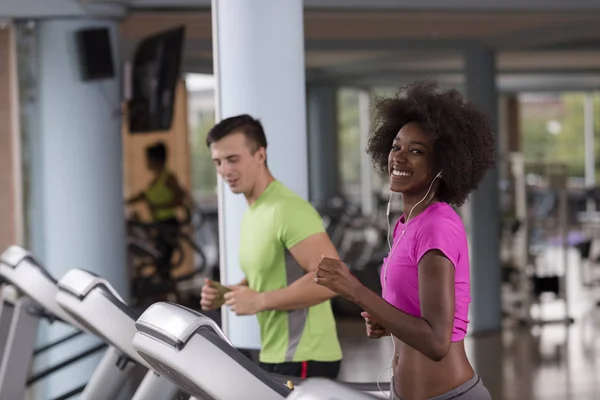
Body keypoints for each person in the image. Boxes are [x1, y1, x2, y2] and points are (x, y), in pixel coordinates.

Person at [314, 81, 494, 400]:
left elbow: (437, 343)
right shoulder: (405, 224)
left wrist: (355, 290)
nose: (399, 158)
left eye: (416, 151)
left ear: (443, 165)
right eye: (397, 146)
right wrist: (386, 320)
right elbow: (416, 315)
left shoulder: (436, 226)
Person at [200, 114, 343, 379]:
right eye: (218, 162)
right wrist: (231, 292)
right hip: (275, 354)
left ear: (260, 155)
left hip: (306, 356)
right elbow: (272, 275)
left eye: (233, 159)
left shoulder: (287, 209)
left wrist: (259, 301)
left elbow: (331, 279)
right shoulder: (254, 211)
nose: (224, 171)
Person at [126, 142, 188, 281]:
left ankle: (169, 298)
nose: (146, 162)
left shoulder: (168, 178)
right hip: (159, 225)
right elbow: (143, 196)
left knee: (163, 267)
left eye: (148, 159)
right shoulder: (155, 180)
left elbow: (180, 198)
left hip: (168, 224)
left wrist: (158, 206)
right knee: (159, 266)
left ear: (156, 160)